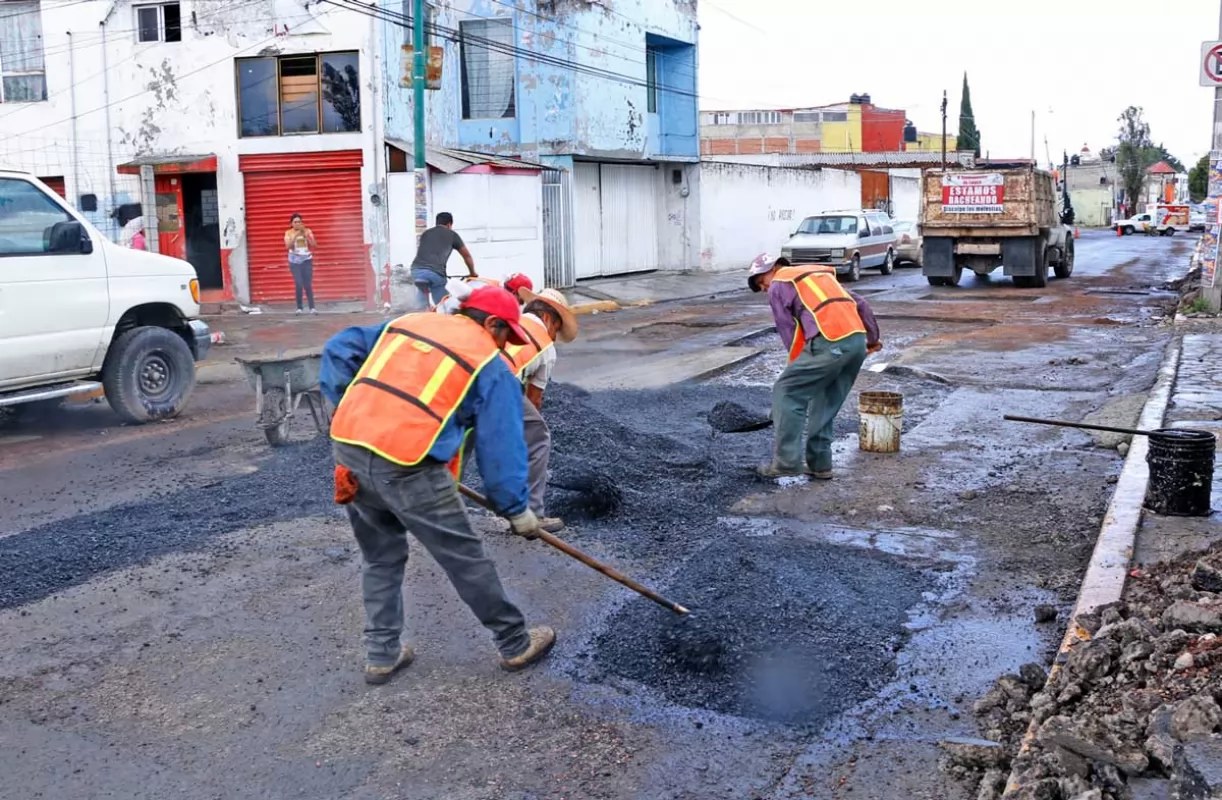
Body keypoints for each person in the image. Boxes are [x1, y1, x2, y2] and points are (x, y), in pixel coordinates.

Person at [321, 286, 554, 685]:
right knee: (464, 556)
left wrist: (351, 404)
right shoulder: (488, 363)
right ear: (492, 323)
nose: (504, 345)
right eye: (505, 335)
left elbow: (339, 348)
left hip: (350, 449)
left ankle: (382, 655)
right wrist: (516, 509)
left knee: (380, 556)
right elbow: (501, 443)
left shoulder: (408, 324)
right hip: (409, 463)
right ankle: (515, 643)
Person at [747, 254, 882, 479]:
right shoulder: (818, 277)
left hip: (829, 341)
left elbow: (787, 330)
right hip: (856, 341)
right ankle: (820, 465)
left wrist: (795, 367)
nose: (763, 289)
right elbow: (862, 304)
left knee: (787, 391)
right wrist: (871, 340)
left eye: (761, 282)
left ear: (775, 268)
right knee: (826, 400)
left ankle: (786, 463)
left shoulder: (779, 284)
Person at [503, 287, 578, 533]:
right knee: (538, 437)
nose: (554, 336)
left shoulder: (511, 321)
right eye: (557, 328)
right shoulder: (546, 346)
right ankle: (532, 514)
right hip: (502, 381)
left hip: (473, 374)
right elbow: (534, 400)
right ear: (548, 318)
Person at [411, 212, 476, 310]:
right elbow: (467, 256)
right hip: (435, 272)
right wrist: (472, 273)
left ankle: (421, 311)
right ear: (449, 224)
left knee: (422, 290)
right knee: (444, 304)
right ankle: (443, 313)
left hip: (416, 271)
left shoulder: (426, 233)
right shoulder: (452, 235)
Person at [284, 213, 318, 314]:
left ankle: (312, 307)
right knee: (299, 283)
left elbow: (314, 245)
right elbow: (288, 246)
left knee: (308, 284)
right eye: (295, 222)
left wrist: (306, 236)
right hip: (294, 261)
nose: (297, 224)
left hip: (307, 260)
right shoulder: (288, 233)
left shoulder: (307, 231)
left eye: (299, 222)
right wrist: (296, 235)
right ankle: (299, 308)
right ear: (291, 224)